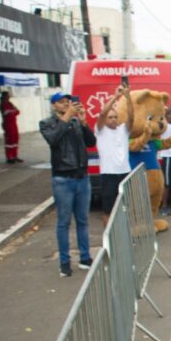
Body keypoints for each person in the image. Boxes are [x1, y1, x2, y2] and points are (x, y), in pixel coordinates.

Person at [40, 92, 95, 277]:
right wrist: (67, 116)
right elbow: (53, 139)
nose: (66, 105)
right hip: (63, 179)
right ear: (53, 105)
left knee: (83, 220)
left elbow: (91, 142)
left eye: (68, 102)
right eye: (62, 102)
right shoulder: (47, 123)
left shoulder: (75, 122)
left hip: (82, 177)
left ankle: (85, 258)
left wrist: (84, 122)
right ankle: (64, 262)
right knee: (64, 222)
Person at [94, 85, 134, 225]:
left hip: (125, 173)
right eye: (110, 117)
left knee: (125, 208)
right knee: (108, 211)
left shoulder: (123, 130)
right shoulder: (100, 130)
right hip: (108, 174)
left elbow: (131, 117)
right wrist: (116, 97)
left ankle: (126, 235)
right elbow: (102, 114)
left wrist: (127, 97)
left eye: (115, 117)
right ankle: (109, 237)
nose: (113, 119)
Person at [0, 91, 22, 163]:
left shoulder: (10, 103)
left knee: (15, 140)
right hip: (8, 125)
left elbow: (18, 112)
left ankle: (15, 156)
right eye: (8, 95)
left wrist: (13, 111)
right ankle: (9, 157)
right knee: (9, 141)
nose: (9, 97)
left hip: (13, 124)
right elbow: (7, 113)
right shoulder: (2, 104)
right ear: (4, 96)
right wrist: (13, 111)